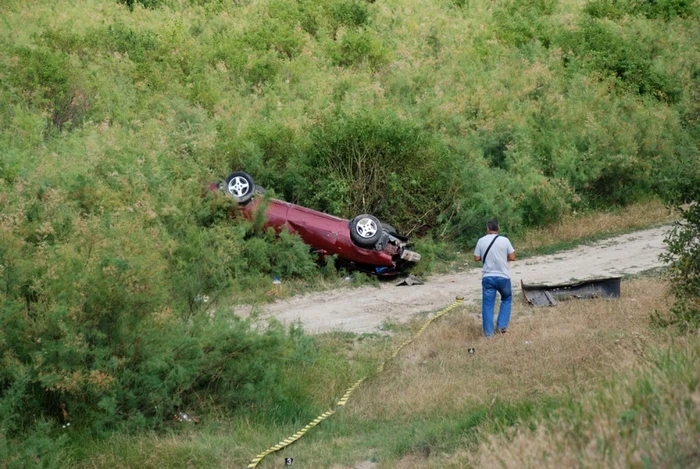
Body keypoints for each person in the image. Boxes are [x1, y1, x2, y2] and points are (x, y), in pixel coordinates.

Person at [473, 218, 516, 337]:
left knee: (488, 305)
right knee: (506, 299)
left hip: (488, 277)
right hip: (503, 276)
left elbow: (476, 258)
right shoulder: (505, 240)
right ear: (498, 228)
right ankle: (501, 326)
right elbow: (512, 257)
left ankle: (488, 333)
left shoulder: (481, 241)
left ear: (487, 229)